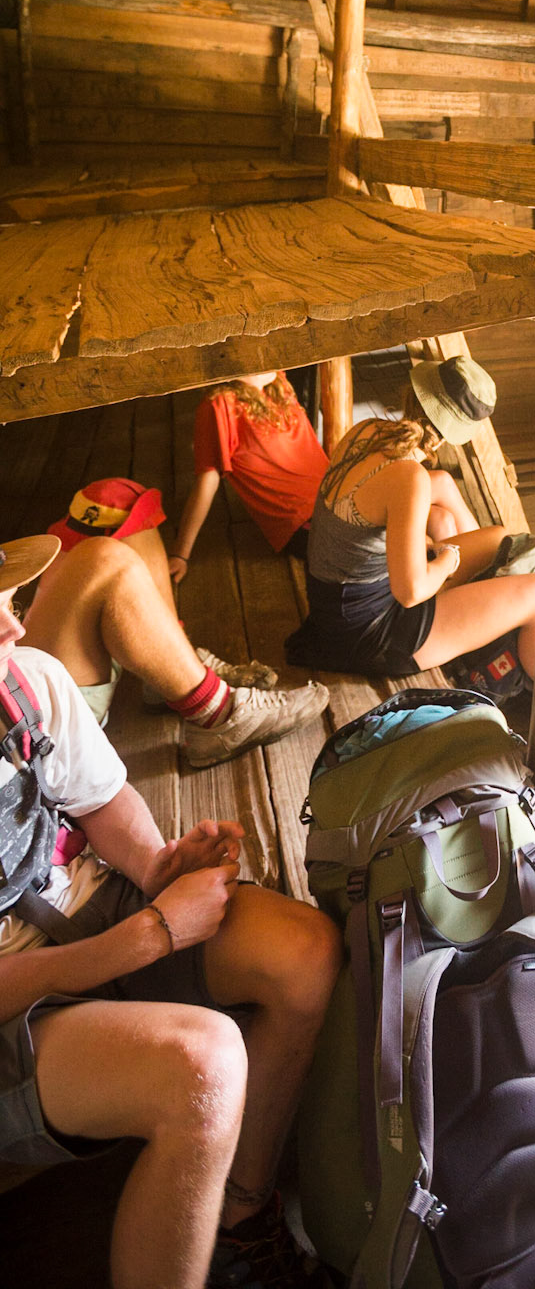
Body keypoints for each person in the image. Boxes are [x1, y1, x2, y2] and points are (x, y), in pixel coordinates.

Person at [0, 533, 342, 1289]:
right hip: (14, 1008)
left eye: (6, 598)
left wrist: (156, 868)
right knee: (202, 1065)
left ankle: (239, 1214)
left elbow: (102, 801)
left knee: (305, 952)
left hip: (87, 908)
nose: (14, 626)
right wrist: (150, 937)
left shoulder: (23, 679)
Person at [24, 477, 327, 767]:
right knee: (105, 559)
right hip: (23, 715)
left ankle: (172, 669)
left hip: (16, 662)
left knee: (119, 500)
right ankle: (218, 714)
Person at [286, 353, 535, 682]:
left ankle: (485, 617)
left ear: (414, 393)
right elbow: (411, 592)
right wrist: (447, 561)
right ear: (451, 435)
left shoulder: (367, 430)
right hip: (371, 632)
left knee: (498, 538)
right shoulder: (410, 477)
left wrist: (435, 550)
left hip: (337, 606)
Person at [169, 371, 328, 583]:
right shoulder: (220, 405)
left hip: (335, 492)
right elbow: (208, 479)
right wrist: (181, 554)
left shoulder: (277, 381)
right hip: (301, 519)